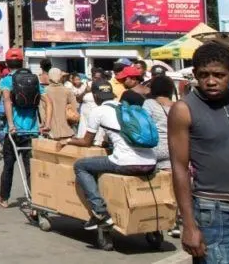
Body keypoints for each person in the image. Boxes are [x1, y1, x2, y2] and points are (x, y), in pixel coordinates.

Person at [169, 42, 229, 262]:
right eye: (204, 75)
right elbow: (179, 169)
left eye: (219, 75)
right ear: (195, 74)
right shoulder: (184, 110)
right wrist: (189, 225)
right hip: (216, 216)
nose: (211, 81)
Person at [61, 81, 157, 229]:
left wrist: (68, 140)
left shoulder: (98, 111)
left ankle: (100, 212)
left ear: (94, 95)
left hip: (127, 163)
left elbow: (86, 141)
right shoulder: (125, 108)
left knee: (81, 166)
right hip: (151, 162)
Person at [0, 48, 40, 209]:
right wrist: (46, 123)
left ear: (7, 63)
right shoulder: (33, 79)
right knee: (30, 166)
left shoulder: (7, 80)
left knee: (8, 165)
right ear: (22, 61)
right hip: (32, 129)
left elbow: (7, 101)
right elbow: (46, 101)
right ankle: (35, 198)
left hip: (14, 131)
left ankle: (4, 198)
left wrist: (11, 124)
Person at [143, 74, 174, 172]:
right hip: (176, 148)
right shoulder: (178, 105)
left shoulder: (149, 104)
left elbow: (144, 126)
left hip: (156, 149)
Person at [39, 67, 78, 141]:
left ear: (49, 77)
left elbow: (42, 112)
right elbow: (74, 111)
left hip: (51, 132)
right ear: (60, 77)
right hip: (67, 131)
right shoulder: (68, 91)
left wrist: (44, 126)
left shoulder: (44, 92)